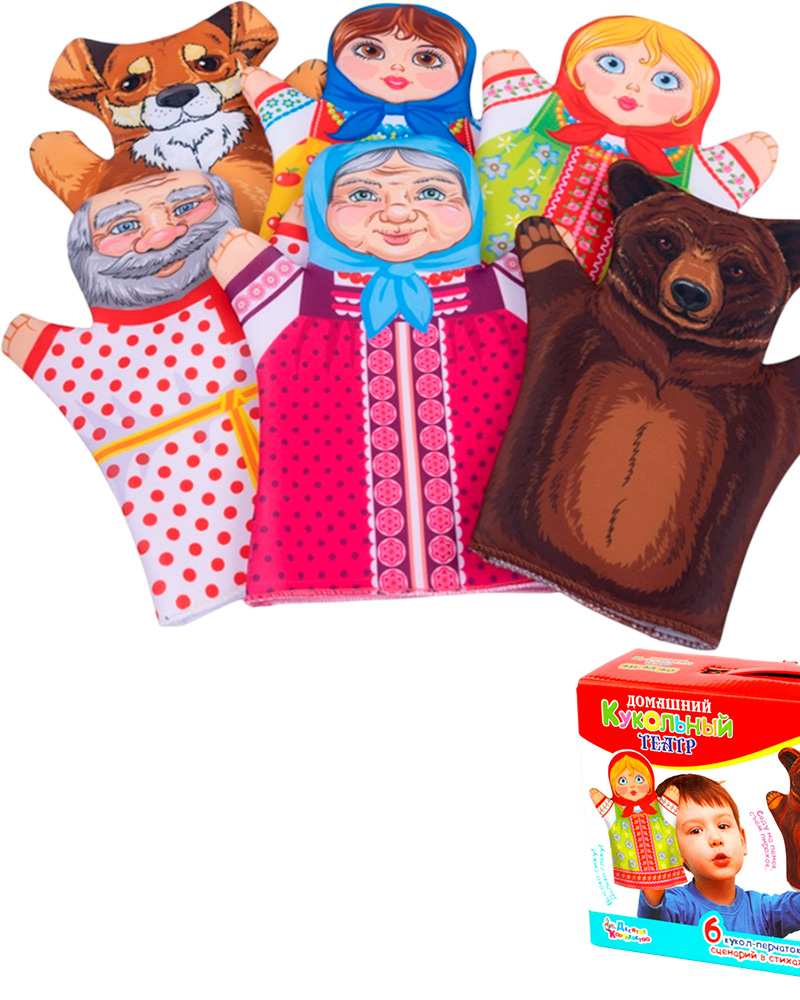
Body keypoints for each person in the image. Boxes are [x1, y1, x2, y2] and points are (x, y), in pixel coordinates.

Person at [207, 137, 536, 604]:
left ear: (473, 204)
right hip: (321, 549)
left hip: (507, 551)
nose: (398, 212)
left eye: (431, 193)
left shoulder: (514, 284)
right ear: (320, 207)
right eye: (363, 194)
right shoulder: (290, 296)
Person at [3, 171, 258, 624]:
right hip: (194, 551)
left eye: (186, 208)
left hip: (325, 515)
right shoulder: (88, 355)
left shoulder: (261, 291)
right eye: (123, 227)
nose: (163, 234)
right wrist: (37, 347)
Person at [476, 15, 777, 279]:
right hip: (483, 262)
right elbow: (506, 96)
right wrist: (508, 76)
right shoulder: (544, 114)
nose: (633, 86)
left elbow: (708, 206)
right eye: (612, 64)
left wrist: (738, 164)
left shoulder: (679, 162)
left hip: (595, 305)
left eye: (665, 81)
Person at [241, 3, 478, 238]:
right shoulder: (310, 118)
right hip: (297, 248)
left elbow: (265, 91)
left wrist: (256, 80)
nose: (397, 67)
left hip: (441, 252)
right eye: (371, 51)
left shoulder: (306, 118)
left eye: (426, 58)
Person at [637, 773, 800, 937]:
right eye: (695, 830)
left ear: (742, 840)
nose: (715, 838)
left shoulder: (763, 910)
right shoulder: (678, 905)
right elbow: (651, 925)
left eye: (723, 826)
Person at [590, 751, 685, 890]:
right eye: (623, 781)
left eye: (639, 779)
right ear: (614, 787)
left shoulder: (660, 806)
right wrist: (598, 798)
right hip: (630, 876)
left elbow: (670, 810)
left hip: (668, 872)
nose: (632, 786)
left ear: (650, 782)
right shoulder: (614, 810)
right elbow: (604, 807)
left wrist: (670, 798)